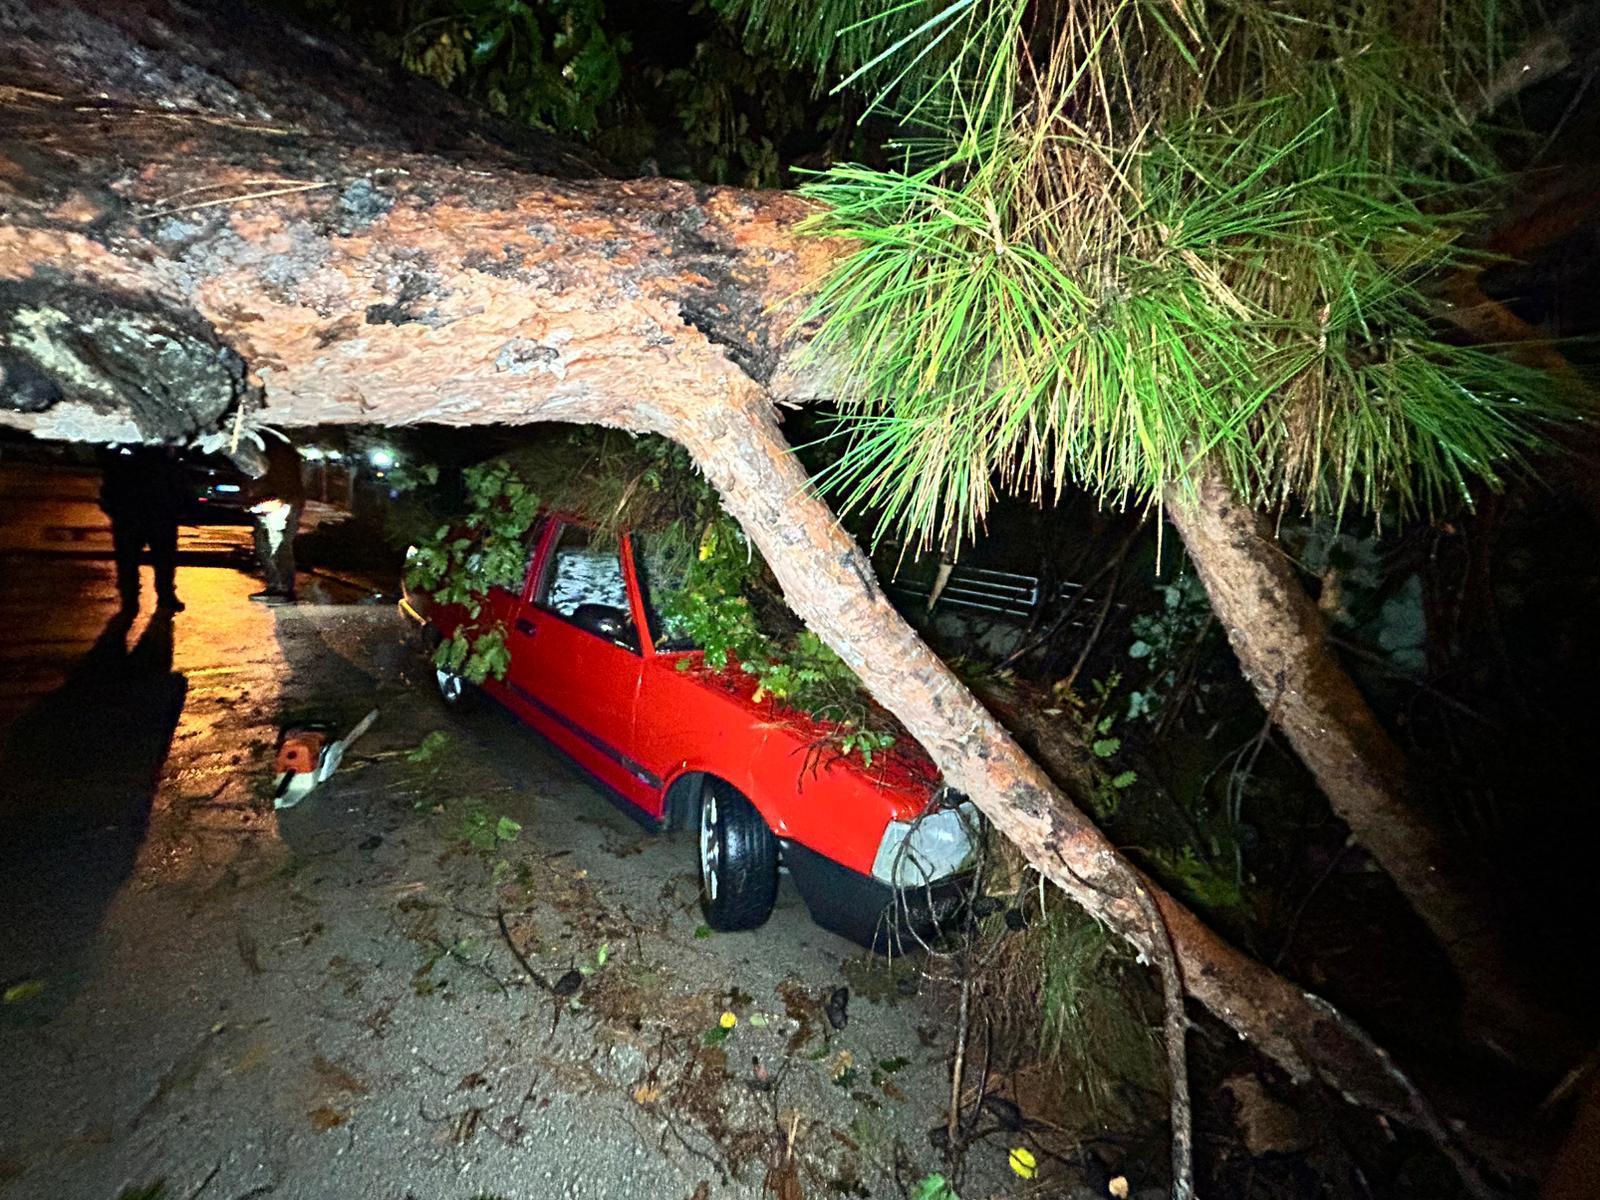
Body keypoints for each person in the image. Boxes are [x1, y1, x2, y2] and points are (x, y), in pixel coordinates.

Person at [98, 443, 187, 613]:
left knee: (158, 558)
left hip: (153, 508)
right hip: (136, 508)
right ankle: (135, 599)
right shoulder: (131, 445)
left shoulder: (158, 446)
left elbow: (176, 472)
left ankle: (156, 597)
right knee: (134, 559)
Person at [246, 436, 305, 604]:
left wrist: (282, 500)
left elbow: (287, 480)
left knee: (279, 546)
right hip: (268, 505)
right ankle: (275, 586)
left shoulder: (277, 451)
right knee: (264, 546)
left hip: (281, 505)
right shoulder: (264, 449)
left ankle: (283, 588)